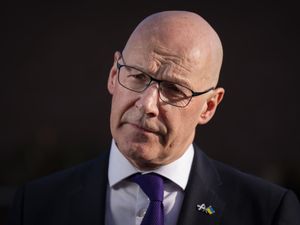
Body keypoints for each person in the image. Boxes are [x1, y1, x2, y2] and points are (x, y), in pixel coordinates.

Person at [7, 10, 300, 225]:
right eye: (136, 76)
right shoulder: (34, 207)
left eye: (174, 89)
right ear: (113, 75)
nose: (147, 104)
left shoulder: (268, 212)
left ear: (209, 106)